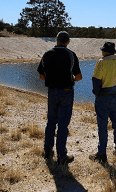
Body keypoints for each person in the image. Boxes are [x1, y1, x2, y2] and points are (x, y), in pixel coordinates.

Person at [37, 31, 82, 165]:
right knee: (63, 124)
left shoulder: (47, 54)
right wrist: (71, 80)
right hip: (67, 91)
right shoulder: (71, 54)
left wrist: (53, 80)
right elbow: (78, 77)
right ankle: (62, 156)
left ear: (56, 40)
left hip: (52, 91)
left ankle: (47, 151)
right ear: (68, 42)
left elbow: (41, 75)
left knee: (51, 122)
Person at [90, 42, 116, 164]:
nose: (102, 52)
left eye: (102, 50)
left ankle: (102, 154)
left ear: (105, 51)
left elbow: (96, 81)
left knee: (102, 127)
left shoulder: (101, 62)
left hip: (103, 98)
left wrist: (97, 93)